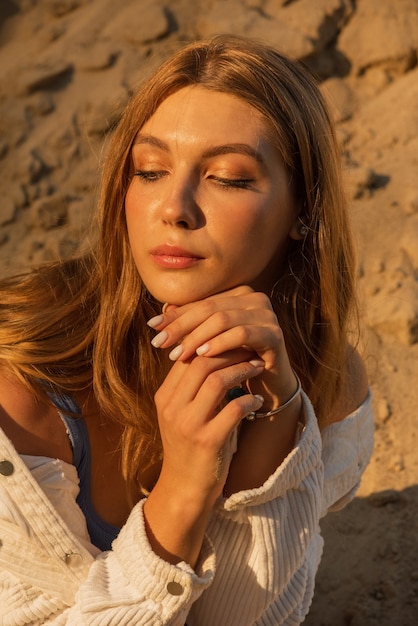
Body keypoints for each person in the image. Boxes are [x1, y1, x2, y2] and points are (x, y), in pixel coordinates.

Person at [0, 34, 373, 625]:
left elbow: (241, 618)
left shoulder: (326, 378)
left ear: (305, 209)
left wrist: (274, 432)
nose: (174, 206)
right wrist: (183, 487)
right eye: (149, 170)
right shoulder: (18, 386)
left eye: (227, 177)